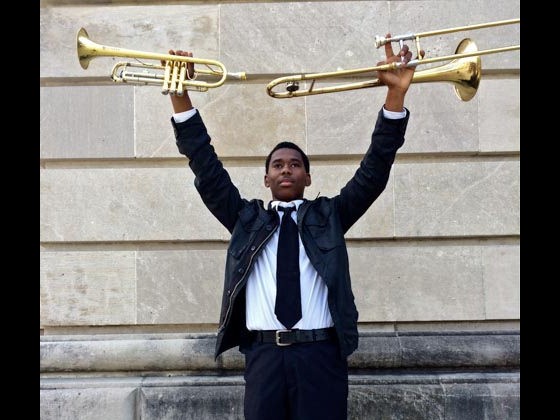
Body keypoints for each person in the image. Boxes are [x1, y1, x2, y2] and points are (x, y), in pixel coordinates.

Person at [166, 37, 421, 420]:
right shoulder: (246, 220)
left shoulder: (329, 217)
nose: (287, 168)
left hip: (320, 356)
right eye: (278, 165)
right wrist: (180, 98)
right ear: (266, 179)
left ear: (307, 175)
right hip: (264, 357)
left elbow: (374, 172)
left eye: (295, 164)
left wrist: (395, 99)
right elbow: (206, 167)